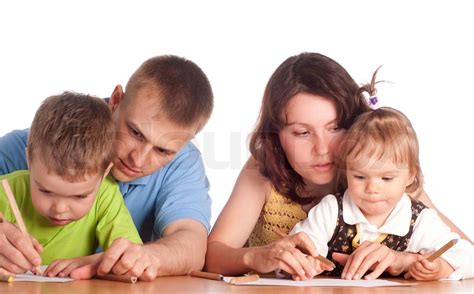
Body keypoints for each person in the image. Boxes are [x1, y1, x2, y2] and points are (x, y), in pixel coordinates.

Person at [206, 52, 472, 281]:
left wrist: (405, 260)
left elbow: (464, 252)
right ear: (276, 137)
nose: (322, 149)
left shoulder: (381, 174)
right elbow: (212, 255)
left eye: (335, 128)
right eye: (302, 133)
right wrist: (255, 257)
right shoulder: (263, 170)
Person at [0, 55, 214, 280]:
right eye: (135, 133)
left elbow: (191, 242)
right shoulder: (40, 143)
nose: (138, 160)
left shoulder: (183, 162)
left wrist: (139, 258)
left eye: (163, 151)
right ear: (116, 100)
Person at [290, 77, 473, 280]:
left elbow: (467, 257)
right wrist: (305, 261)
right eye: (359, 176)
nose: (372, 188)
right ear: (347, 170)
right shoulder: (332, 210)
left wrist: (439, 267)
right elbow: (299, 246)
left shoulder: (419, 219)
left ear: (410, 175)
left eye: (386, 178)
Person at [0, 92, 141, 278]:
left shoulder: (106, 195)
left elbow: (132, 256)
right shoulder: (6, 190)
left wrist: (95, 263)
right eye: (45, 190)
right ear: (29, 159)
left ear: (105, 172)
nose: (59, 209)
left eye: (79, 196)